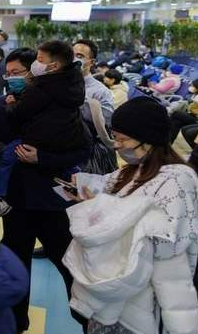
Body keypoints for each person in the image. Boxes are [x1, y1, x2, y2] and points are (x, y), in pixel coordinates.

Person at [64, 97, 198, 334]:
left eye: (123, 139)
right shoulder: (131, 172)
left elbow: (163, 246)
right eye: (115, 137)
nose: (116, 145)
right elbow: (112, 199)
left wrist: (98, 209)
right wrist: (88, 195)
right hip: (114, 295)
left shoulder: (177, 180)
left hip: (144, 302)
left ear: (148, 139)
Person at [1, 40, 91, 333]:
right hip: (18, 198)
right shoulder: (20, 99)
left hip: (50, 199)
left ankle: (91, 320)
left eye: (17, 72)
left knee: (67, 262)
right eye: (8, 73)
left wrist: (43, 158)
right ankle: (16, 323)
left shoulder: (65, 104)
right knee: (15, 265)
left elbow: (83, 149)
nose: (12, 78)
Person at [74, 40, 114, 126]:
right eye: (71, 55)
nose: (73, 60)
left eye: (79, 56)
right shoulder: (59, 83)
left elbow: (105, 124)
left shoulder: (101, 92)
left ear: (92, 62)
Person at [170, 79, 198, 143]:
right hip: (191, 115)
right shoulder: (194, 95)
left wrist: (191, 105)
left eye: (193, 86)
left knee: (176, 114)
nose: (191, 87)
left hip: (196, 119)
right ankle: (168, 142)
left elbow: (193, 110)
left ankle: (165, 140)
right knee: (177, 122)